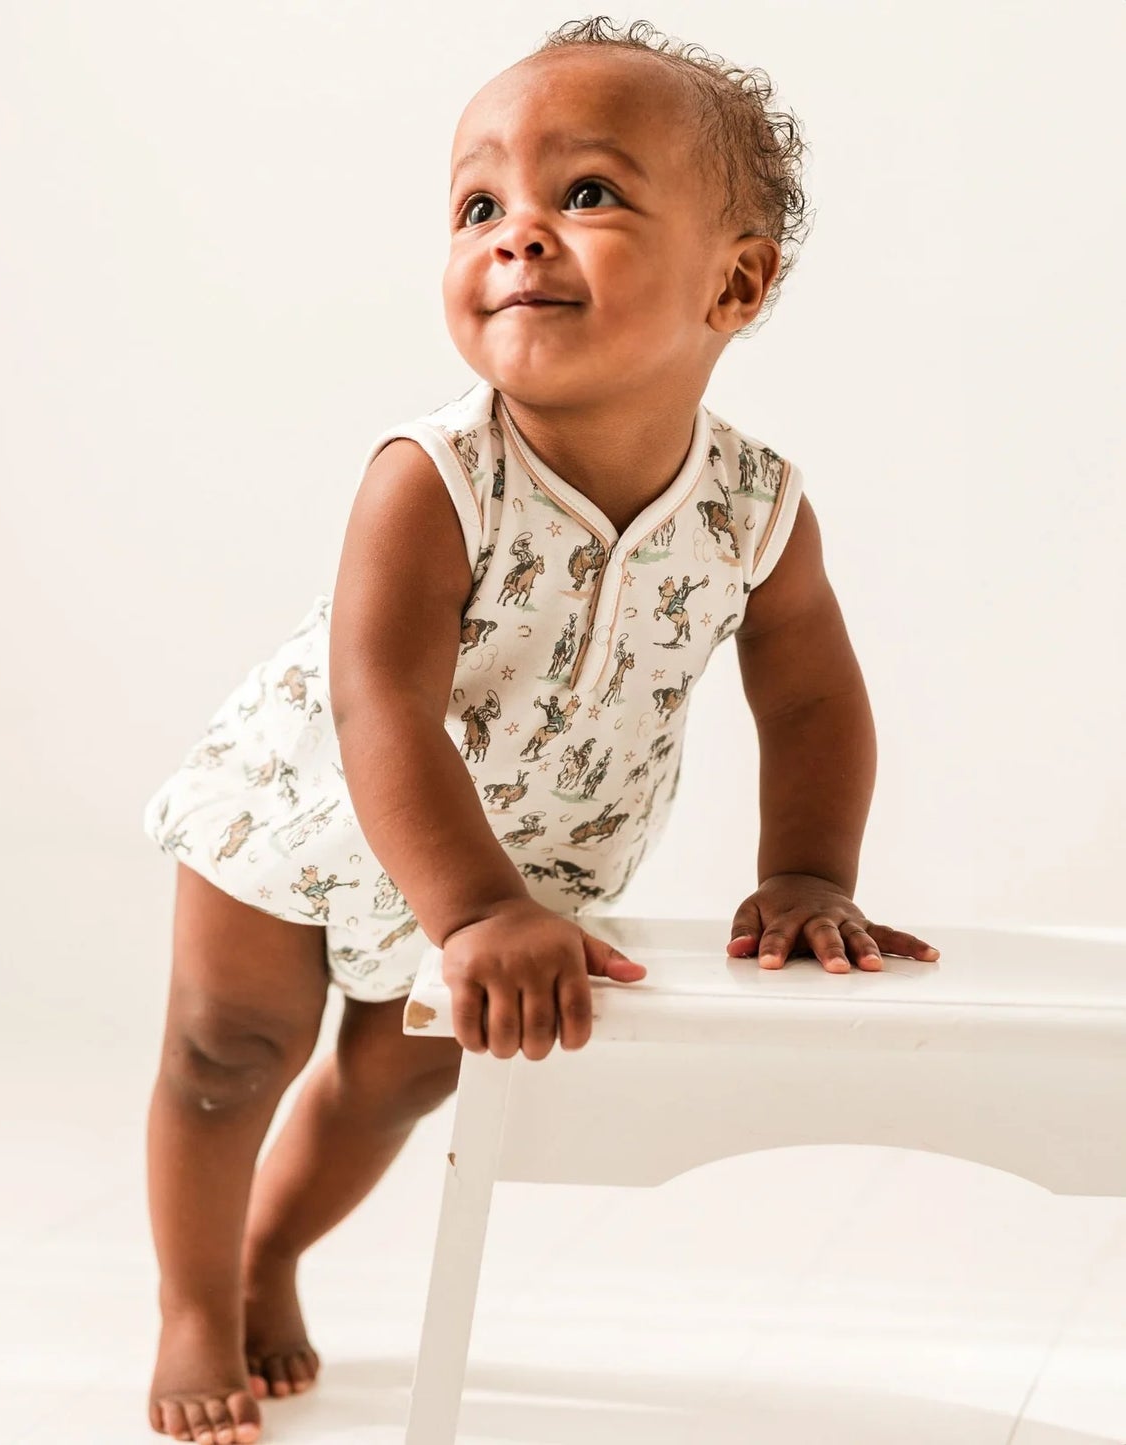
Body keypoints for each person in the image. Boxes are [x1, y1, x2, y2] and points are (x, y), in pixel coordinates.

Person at [140, 17, 940, 1442]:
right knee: (227, 1054)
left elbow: (811, 692)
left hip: (529, 859)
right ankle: (195, 1303)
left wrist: (808, 870)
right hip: (307, 811)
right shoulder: (433, 476)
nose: (515, 233)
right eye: (476, 205)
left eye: (583, 193)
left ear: (736, 281)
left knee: (394, 1080)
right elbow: (379, 699)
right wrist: (472, 910)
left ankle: (271, 1253)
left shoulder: (754, 507)